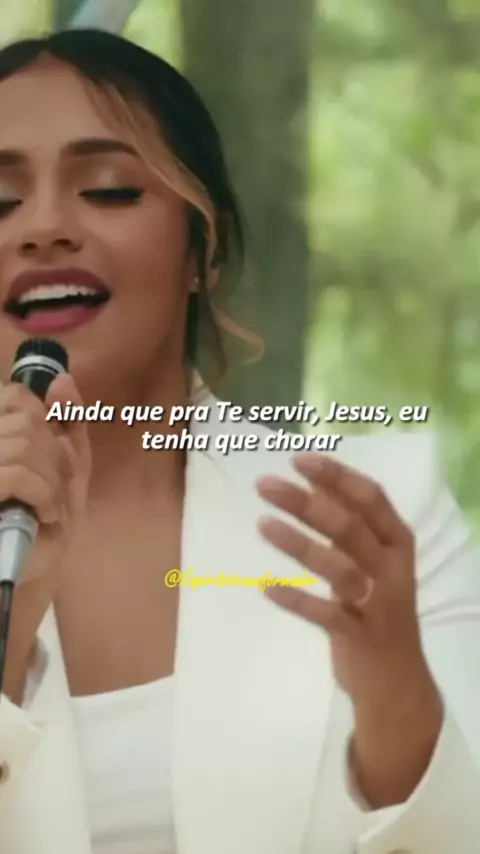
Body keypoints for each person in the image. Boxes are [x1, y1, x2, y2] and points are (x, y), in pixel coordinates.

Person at [0, 28, 478, 854]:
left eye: (109, 190)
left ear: (205, 251)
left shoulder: (370, 516)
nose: (43, 226)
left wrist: (393, 690)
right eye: (1, 201)